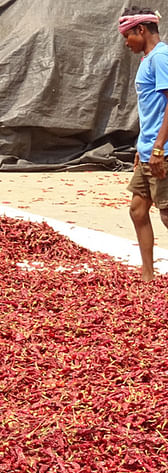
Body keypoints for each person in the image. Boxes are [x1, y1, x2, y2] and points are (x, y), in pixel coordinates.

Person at [122, 7, 168, 281]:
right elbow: (149, 109)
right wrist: (142, 149)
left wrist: (159, 147)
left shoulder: (161, 57)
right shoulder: (147, 59)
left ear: (141, 30)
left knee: (166, 214)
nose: (126, 43)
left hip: (162, 151)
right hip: (148, 150)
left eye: (127, 36)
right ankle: (148, 277)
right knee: (138, 209)